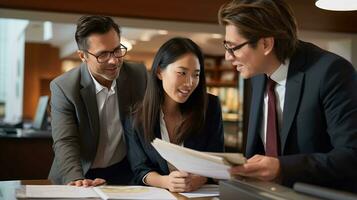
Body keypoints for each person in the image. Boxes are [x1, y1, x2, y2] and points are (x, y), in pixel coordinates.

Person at [218, 0, 357, 192]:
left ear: (266, 44)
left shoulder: (331, 72)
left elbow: (351, 155)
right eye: (226, 46)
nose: (228, 56)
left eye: (233, 47)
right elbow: (256, 151)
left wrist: (281, 167)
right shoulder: (257, 74)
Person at [48, 15, 147, 186]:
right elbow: (65, 140)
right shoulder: (63, 87)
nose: (114, 60)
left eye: (117, 50)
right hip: (79, 171)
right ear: (82, 56)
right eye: (103, 54)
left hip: (123, 172)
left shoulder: (138, 75)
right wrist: (75, 179)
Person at [124, 37, 224, 192]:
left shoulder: (210, 107)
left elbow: (216, 158)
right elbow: (139, 168)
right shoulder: (136, 116)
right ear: (159, 72)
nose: (190, 82)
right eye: (182, 73)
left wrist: (200, 177)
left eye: (196, 74)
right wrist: (165, 181)